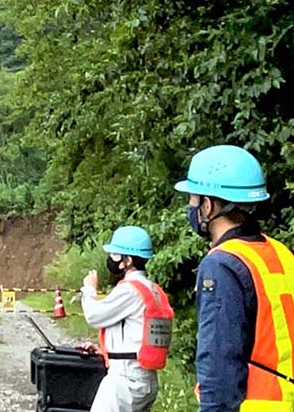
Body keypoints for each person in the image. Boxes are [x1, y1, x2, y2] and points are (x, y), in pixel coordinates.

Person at [174, 144, 294, 411]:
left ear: (208, 205)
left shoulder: (222, 264)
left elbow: (219, 361)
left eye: (193, 199)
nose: (191, 207)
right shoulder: (279, 253)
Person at [80, 226, 174, 412]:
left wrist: (89, 289)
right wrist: (105, 351)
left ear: (128, 260)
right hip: (144, 379)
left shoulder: (130, 290)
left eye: (115, 254)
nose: (111, 259)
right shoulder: (153, 290)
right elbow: (135, 334)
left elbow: (94, 315)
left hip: (125, 380)